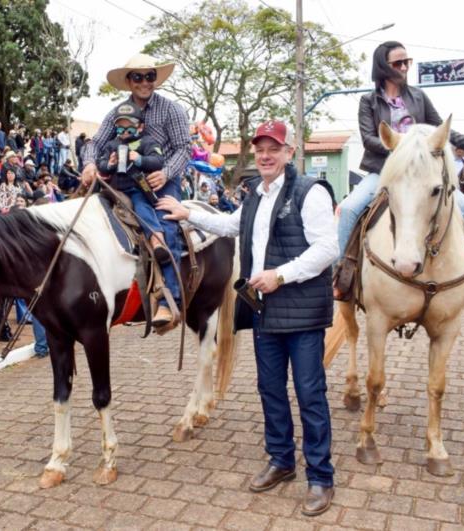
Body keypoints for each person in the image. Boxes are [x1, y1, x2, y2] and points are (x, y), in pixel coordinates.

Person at [157, 120, 338, 516]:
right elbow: (229, 225)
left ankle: (321, 477)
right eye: (260, 149)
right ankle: (281, 460)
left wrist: (280, 274)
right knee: (269, 389)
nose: (266, 155)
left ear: (290, 152)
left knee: (309, 394)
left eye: (274, 148)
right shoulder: (256, 193)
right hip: (264, 310)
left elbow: (328, 248)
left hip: (302, 310)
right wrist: (188, 212)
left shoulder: (311, 193)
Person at [338, 41, 464, 257]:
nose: (404, 67)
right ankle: (342, 272)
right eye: (398, 63)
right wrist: (405, 148)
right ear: (382, 67)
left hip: (421, 172)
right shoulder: (368, 101)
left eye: (407, 62)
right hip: (384, 171)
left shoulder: (419, 96)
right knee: (349, 210)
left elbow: (439, 127)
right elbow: (368, 139)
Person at [82, 53, 189, 331]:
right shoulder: (116, 113)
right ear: (129, 81)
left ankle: (169, 299)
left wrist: (165, 172)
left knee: (169, 224)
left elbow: (183, 148)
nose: (145, 82)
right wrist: (91, 163)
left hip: (162, 179)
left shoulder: (171, 109)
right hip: (124, 181)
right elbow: (95, 141)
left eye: (150, 76)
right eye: (138, 77)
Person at [96, 100, 171, 270]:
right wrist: (109, 163)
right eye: (119, 128)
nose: (123, 132)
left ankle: (158, 242)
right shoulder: (112, 144)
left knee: (143, 209)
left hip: (136, 188)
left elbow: (158, 160)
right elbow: (101, 163)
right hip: (113, 189)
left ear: (140, 127)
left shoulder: (147, 142)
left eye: (128, 127)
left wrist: (139, 159)